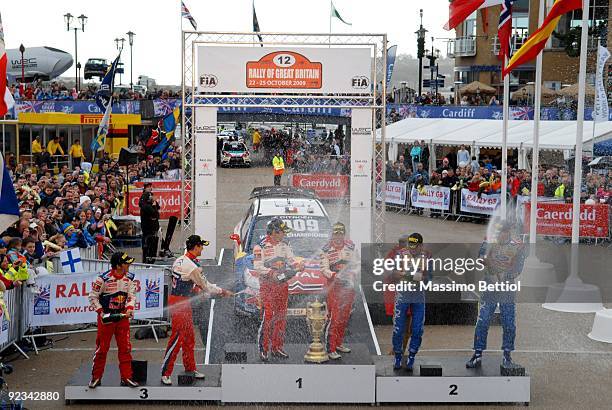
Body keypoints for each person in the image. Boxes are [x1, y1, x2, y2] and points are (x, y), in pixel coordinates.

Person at [161, 235, 232, 385]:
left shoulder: (180, 259)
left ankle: (190, 368)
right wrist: (222, 291)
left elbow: (186, 281)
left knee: (188, 338)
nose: (203, 249)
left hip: (182, 301)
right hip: (180, 303)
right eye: (201, 246)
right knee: (176, 339)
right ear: (196, 247)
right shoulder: (192, 267)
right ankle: (165, 373)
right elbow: (206, 285)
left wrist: (197, 290)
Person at [466, 221, 526, 370]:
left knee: (509, 323)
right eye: (497, 233)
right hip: (489, 287)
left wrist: (506, 275)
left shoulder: (518, 245)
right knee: (483, 320)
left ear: (508, 232)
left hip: (507, 289)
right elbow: (480, 258)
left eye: (502, 233)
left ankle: (507, 355)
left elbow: (519, 267)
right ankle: (477, 354)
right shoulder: (489, 240)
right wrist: (485, 261)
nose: (498, 236)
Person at [253, 218, 304, 361]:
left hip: (282, 285)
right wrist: (271, 273)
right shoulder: (260, 247)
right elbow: (257, 267)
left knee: (281, 317)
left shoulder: (285, 244)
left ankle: (277, 347)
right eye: (282, 232)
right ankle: (264, 349)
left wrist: (299, 264)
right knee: (268, 316)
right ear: (275, 232)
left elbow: (292, 259)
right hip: (267, 286)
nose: (284, 235)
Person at [87, 252, 138, 388]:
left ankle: (126, 377)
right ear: (118, 265)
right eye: (126, 263)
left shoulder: (130, 278)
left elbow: (132, 296)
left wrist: (129, 309)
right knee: (102, 349)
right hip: (106, 318)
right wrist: (101, 312)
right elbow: (92, 297)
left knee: (125, 348)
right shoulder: (103, 279)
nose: (129, 265)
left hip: (122, 317)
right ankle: (96, 377)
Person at [319, 222, 359, 360]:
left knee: (344, 317)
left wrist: (352, 273)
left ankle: (339, 343)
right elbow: (324, 269)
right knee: (334, 318)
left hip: (348, 286)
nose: (338, 237)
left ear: (344, 234)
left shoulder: (351, 246)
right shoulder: (325, 249)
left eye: (340, 233)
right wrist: (335, 275)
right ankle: (330, 348)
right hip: (334, 287)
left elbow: (357, 264)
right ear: (332, 234)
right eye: (335, 234)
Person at [391, 233, 431, 371]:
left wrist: (423, 276)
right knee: (398, 328)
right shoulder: (400, 254)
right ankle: (397, 355)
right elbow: (393, 273)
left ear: (421, 245)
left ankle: (412, 355)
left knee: (417, 329)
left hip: (418, 297)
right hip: (402, 296)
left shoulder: (426, 256)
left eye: (415, 247)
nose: (412, 249)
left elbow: (428, 278)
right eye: (410, 246)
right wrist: (407, 275)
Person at [140, 191, 160, 263]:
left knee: (152, 247)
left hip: (152, 229)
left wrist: (154, 204)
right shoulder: (146, 206)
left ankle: (150, 260)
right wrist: (154, 206)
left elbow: (157, 210)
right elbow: (155, 213)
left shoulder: (150, 205)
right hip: (148, 230)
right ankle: (146, 261)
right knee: (147, 247)